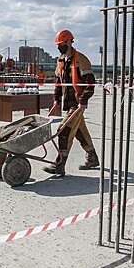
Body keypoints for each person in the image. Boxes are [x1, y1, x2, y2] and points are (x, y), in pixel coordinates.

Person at [43, 29, 100, 176]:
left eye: (61, 44)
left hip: (77, 103)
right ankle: (92, 157)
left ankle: (59, 164)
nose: (59, 47)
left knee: (64, 131)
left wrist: (83, 100)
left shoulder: (81, 59)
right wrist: (56, 100)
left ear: (69, 42)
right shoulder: (61, 60)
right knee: (79, 131)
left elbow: (90, 83)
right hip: (69, 104)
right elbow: (58, 83)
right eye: (58, 44)